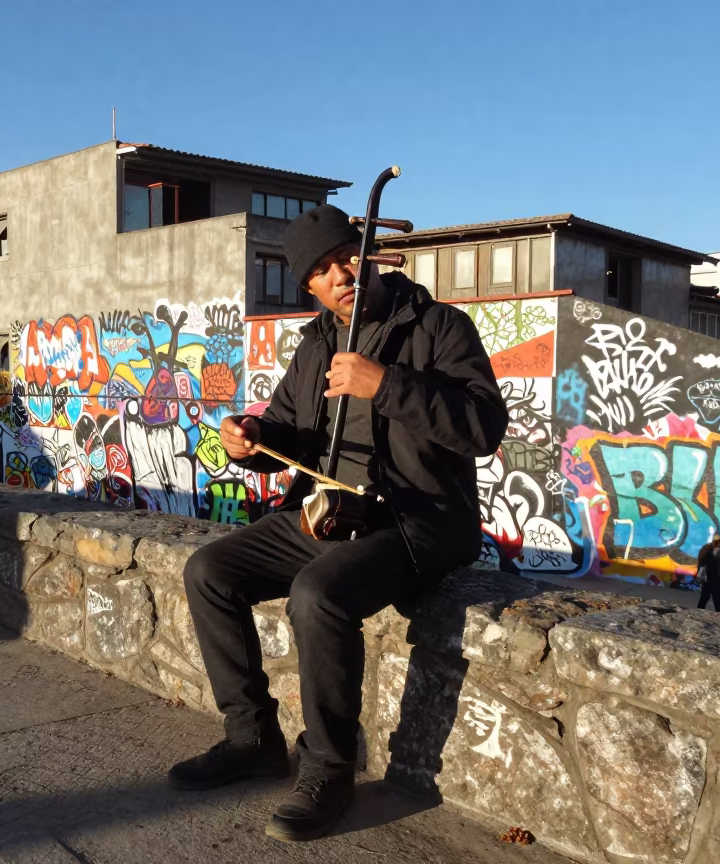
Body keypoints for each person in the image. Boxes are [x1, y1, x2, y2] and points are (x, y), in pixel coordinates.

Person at [167, 204, 508, 842]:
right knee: (209, 570)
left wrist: (387, 385)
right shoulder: (317, 342)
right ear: (310, 287)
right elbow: (294, 429)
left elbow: (483, 428)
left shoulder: (438, 327)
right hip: (331, 511)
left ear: (367, 253)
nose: (339, 276)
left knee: (319, 595)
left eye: (345, 258)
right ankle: (252, 740)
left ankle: (329, 768)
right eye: (321, 272)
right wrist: (255, 433)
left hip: (421, 517)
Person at [696, 536, 720, 612]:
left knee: (704, 599)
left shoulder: (705, 551)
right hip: (715, 579)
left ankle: (698, 613)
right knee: (717, 601)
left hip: (707, 579)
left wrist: (698, 574)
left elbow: (700, 563)